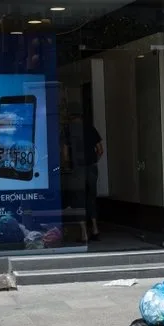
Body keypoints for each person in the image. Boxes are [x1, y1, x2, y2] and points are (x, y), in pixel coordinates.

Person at [62, 102, 103, 242]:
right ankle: (96, 229)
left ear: (70, 116)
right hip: (91, 167)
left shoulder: (68, 130)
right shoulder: (90, 129)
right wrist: (92, 161)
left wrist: (68, 166)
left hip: (77, 169)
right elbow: (100, 150)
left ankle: (84, 233)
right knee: (91, 197)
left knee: (78, 199)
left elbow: (65, 154)